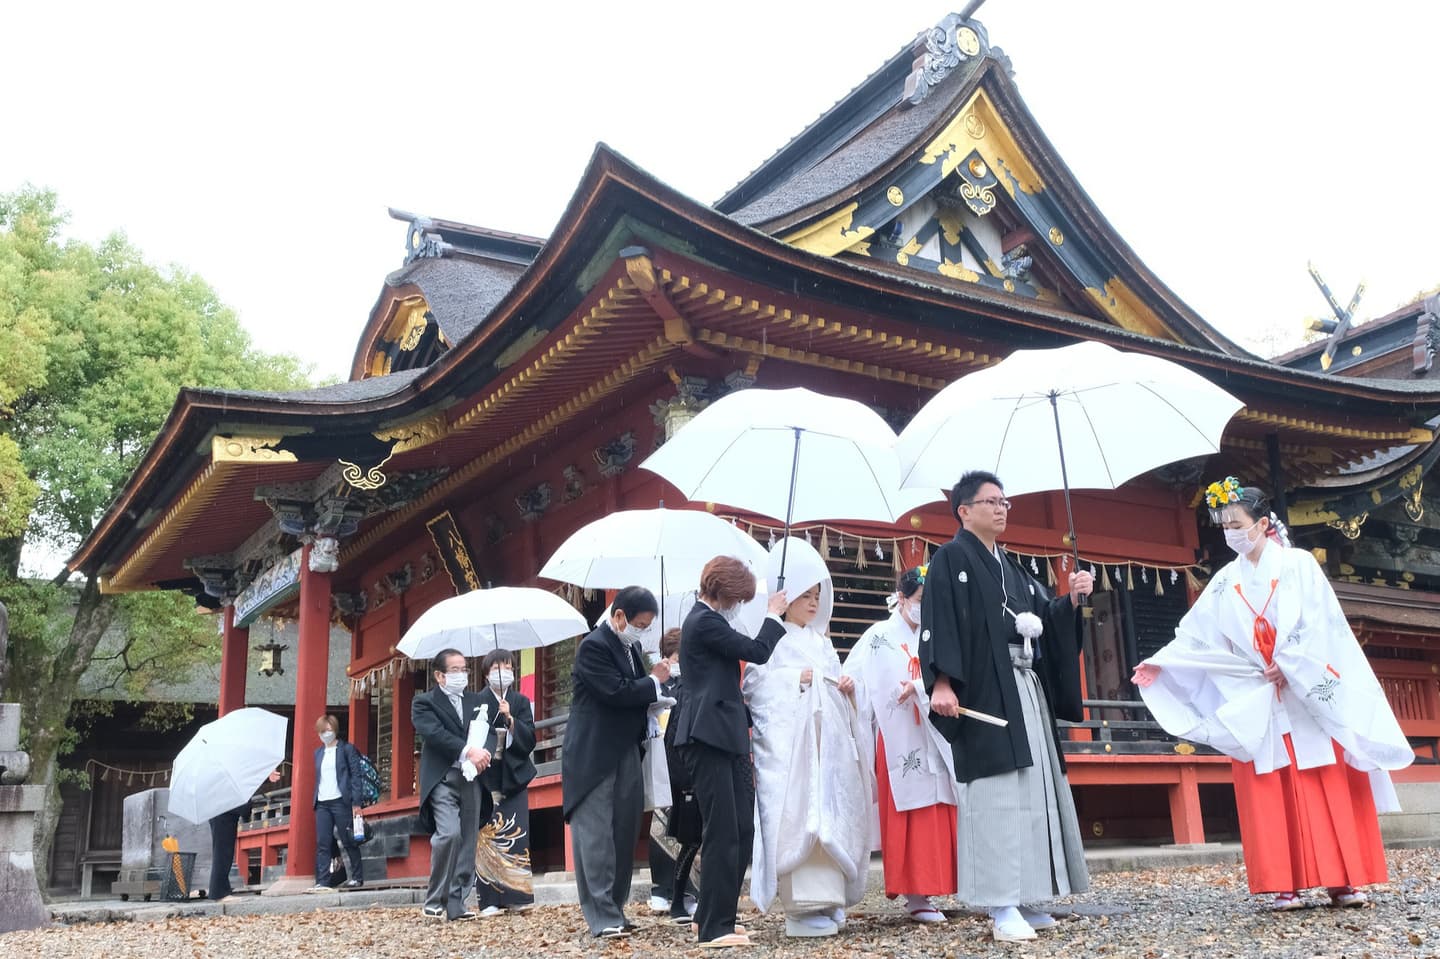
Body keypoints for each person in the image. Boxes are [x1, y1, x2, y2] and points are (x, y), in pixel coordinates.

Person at [1133, 477, 1413, 910]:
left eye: (1236, 523)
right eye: (1223, 525)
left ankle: (1343, 879)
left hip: (1305, 691)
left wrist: (1289, 663)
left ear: (1262, 523)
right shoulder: (1226, 580)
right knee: (1272, 782)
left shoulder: (1299, 564)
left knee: (1325, 779)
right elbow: (1196, 635)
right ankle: (1286, 881)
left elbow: (1322, 622)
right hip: (1258, 690)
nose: (1229, 532)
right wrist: (1162, 663)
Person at [920, 470, 1093, 944]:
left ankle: (1030, 891)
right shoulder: (949, 560)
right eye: (992, 501)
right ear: (964, 510)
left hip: (1024, 688)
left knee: (1033, 790)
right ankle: (1000, 903)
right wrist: (941, 682)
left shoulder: (1011, 567)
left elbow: (1044, 615)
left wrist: (1071, 601)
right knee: (996, 794)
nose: (1001, 508)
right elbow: (938, 624)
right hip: (984, 691)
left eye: (1005, 502)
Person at [744, 537, 873, 939]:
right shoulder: (773, 637)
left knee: (829, 814)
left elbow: (836, 683)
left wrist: (848, 687)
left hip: (826, 743)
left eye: (818, 595)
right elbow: (754, 687)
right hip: (795, 750)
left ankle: (829, 899)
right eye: (806, 595)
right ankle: (799, 911)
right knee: (801, 816)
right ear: (790, 597)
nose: (814, 603)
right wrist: (792, 681)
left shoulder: (822, 642)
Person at [672, 555, 787, 949]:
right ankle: (713, 928)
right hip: (706, 736)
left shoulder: (711, 621)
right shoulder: (703, 621)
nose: (740, 604)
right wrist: (774, 615)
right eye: (739, 596)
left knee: (741, 826)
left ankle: (713, 914)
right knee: (721, 829)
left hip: (726, 734)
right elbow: (757, 650)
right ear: (722, 590)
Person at [842, 565, 957, 923]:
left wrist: (921, 688)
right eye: (920, 600)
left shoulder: (936, 633)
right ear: (903, 598)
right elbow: (858, 678)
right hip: (898, 736)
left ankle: (940, 884)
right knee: (909, 809)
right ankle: (915, 893)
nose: (924, 607)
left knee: (941, 804)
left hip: (934, 733)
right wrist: (851, 688)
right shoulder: (879, 635)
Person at [561, 586, 671, 939]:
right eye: (639, 623)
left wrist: (654, 698)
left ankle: (616, 907)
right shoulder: (593, 646)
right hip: (593, 755)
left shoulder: (632, 647)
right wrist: (653, 682)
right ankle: (601, 913)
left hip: (626, 748)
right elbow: (615, 692)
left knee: (623, 833)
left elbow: (633, 693)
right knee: (595, 837)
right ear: (619, 616)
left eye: (648, 625)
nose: (642, 630)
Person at [413, 648, 495, 921]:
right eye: (455, 670)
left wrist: (484, 753)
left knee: (469, 841)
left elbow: (490, 733)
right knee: (449, 834)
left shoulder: (476, 700)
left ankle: (457, 903)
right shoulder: (424, 703)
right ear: (439, 675)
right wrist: (467, 751)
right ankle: (435, 899)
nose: (462, 675)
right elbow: (435, 735)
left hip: (472, 779)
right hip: (443, 778)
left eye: (464, 670)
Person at [475, 647, 538, 916]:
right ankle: (489, 899)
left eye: (509, 667)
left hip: (513, 773)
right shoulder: (476, 701)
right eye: (498, 668)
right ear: (487, 673)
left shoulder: (520, 701)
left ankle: (516, 895)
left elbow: (530, 738)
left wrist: (511, 719)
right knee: (488, 835)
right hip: (487, 773)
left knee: (515, 832)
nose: (505, 672)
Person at [647, 628, 697, 921]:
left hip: (684, 762)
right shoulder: (658, 685)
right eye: (676, 656)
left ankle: (688, 891)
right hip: (661, 759)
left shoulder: (691, 682)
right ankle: (660, 888)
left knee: (688, 827)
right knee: (661, 827)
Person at [207, 768, 281, 901]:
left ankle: (221, 890)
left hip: (223, 810)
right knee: (222, 853)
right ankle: (219, 893)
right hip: (222, 811)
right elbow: (245, 778)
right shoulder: (224, 771)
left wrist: (265, 776)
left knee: (224, 853)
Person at [310, 714, 365, 891]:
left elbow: (356, 776)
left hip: (341, 800)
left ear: (335, 730)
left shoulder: (346, 749)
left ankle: (357, 877)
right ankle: (323, 881)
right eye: (322, 731)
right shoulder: (318, 753)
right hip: (322, 802)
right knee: (323, 842)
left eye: (328, 730)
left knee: (348, 839)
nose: (325, 734)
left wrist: (356, 803)